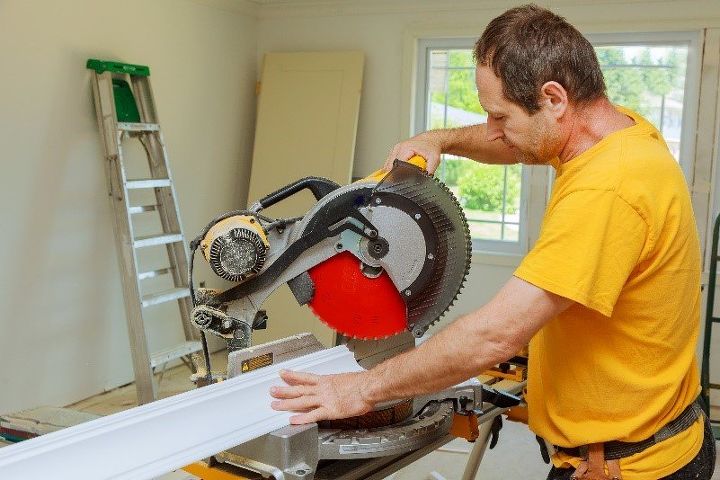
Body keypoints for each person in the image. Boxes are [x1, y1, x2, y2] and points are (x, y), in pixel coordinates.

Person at [270, 5, 716, 479]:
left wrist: (359, 389)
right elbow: (517, 141)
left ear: (554, 98)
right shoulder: (614, 131)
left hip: (628, 466)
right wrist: (439, 139)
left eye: (499, 115)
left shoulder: (608, 188)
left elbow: (495, 335)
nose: (494, 130)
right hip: (656, 434)